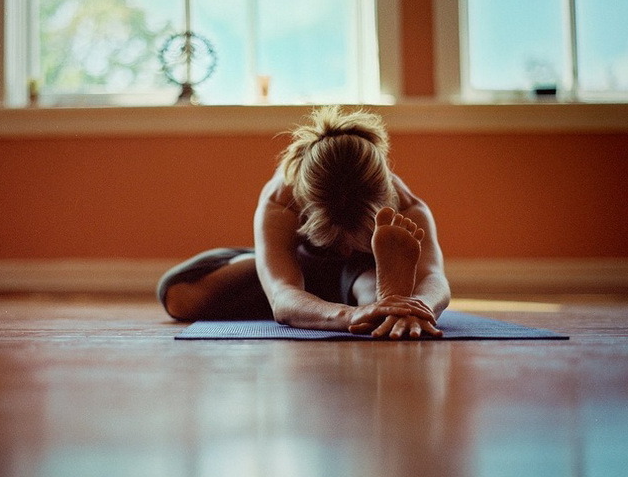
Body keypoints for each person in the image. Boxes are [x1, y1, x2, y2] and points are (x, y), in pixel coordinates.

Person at [157, 106, 450, 339]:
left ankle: (382, 300)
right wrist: (348, 317)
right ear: (306, 203)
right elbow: (284, 291)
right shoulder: (280, 197)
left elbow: (434, 279)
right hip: (296, 268)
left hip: (361, 274)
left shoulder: (407, 206)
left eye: (354, 237)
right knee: (178, 295)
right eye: (334, 235)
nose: (344, 249)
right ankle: (353, 305)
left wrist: (419, 306)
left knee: (371, 294)